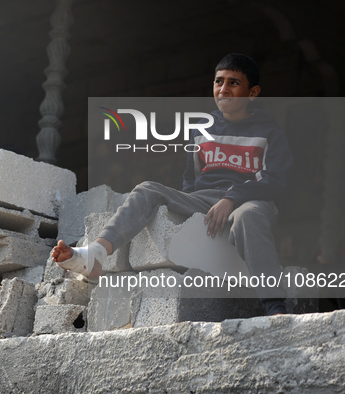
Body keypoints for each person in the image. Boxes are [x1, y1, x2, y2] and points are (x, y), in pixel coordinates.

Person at [52, 53, 293, 316]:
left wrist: (233, 197)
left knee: (247, 216)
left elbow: (275, 181)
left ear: (252, 92)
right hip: (205, 199)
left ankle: (274, 307)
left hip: (250, 201)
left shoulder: (269, 130)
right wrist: (187, 207)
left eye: (233, 83)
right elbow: (191, 179)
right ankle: (95, 253)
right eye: (218, 82)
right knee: (147, 189)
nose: (223, 89)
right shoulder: (202, 128)